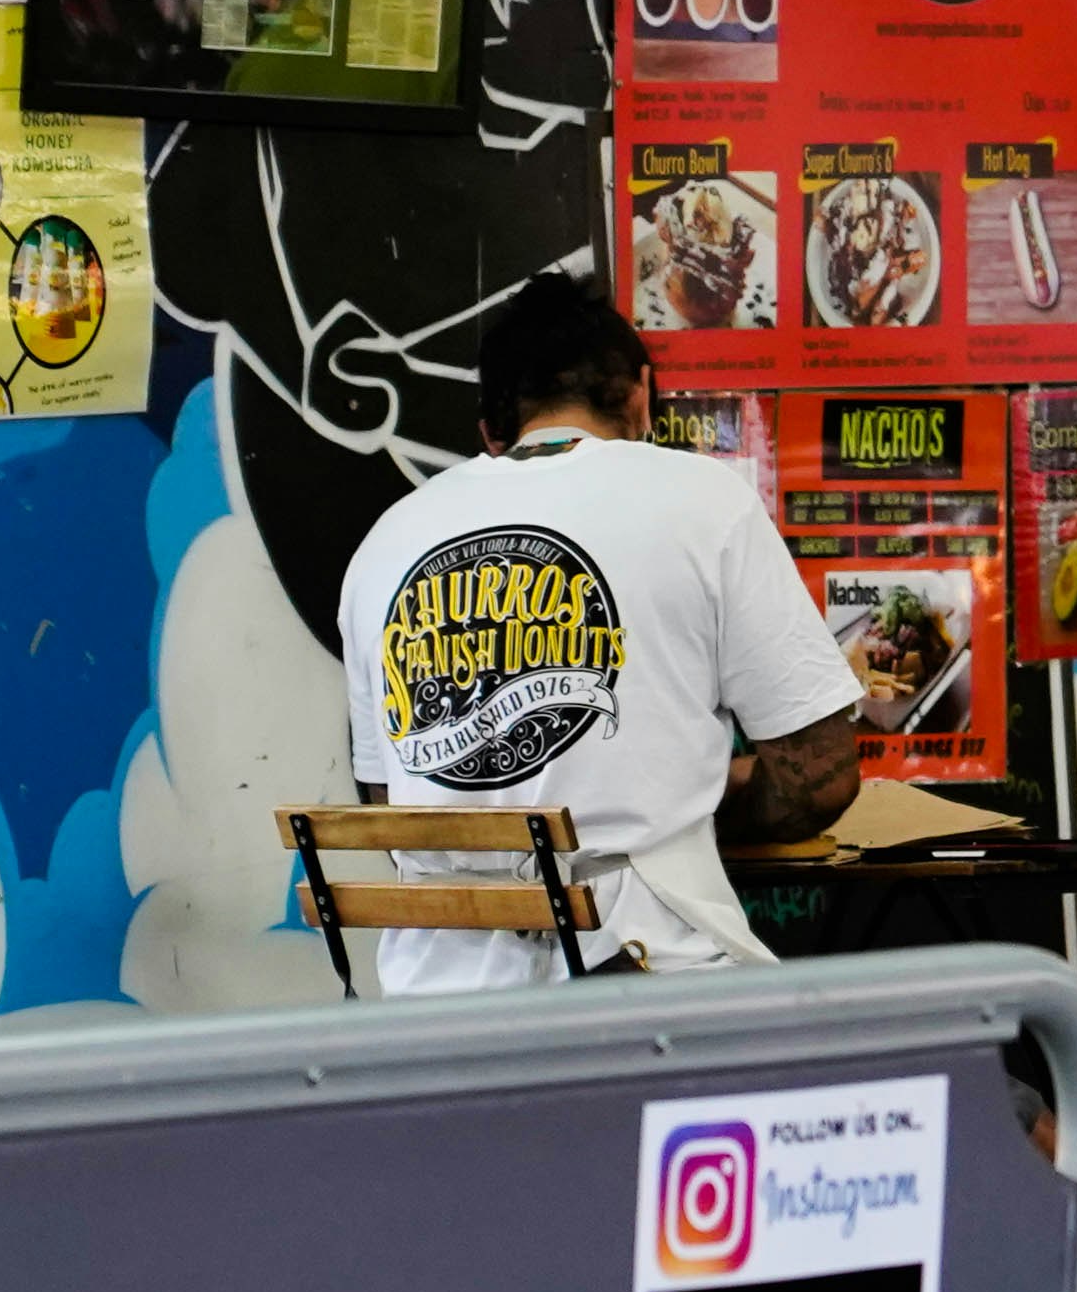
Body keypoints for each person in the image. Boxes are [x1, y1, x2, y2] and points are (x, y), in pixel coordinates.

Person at [339, 270, 862, 988]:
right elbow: (822, 773)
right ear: (643, 395)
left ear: (490, 429)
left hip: (438, 1017)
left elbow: (387, 807)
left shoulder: (381, 546)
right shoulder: (704, 501)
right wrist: (694, 796)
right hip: (652, 997)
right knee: (1013, 1098)